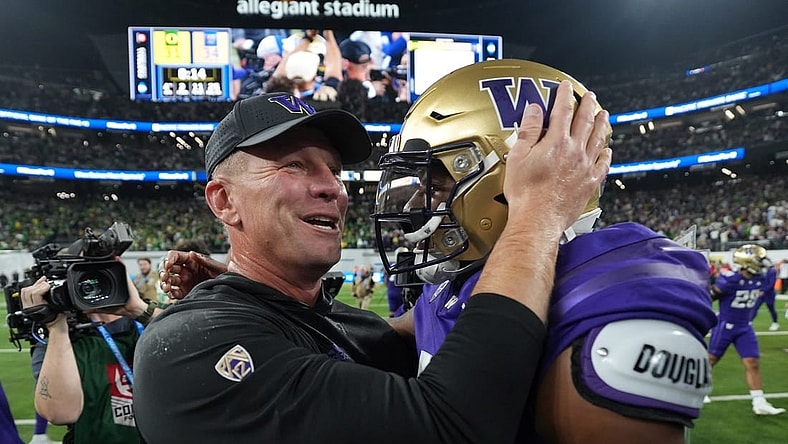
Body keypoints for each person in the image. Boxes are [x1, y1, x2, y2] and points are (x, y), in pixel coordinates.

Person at [133, 77, 611, 443]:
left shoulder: (338, 321)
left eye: (335, 171)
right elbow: (452, 426)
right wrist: (539, 212)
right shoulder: (185, 347)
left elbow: (443, 323)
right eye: (293, 165)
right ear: (223, 202)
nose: (333, 188)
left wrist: (256, 293)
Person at [370, 59, 717, 443]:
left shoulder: (604, 301)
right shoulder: (457, 282)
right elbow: (400, 331)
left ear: (504, 180)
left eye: (435, 185)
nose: (412, 206)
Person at [19, 262, 165, 443]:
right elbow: (60, 413)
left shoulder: (151, 321)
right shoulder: (61, 341)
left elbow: (197, 340)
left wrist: (139, 310)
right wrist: (57, 327)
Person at [708, 244, 785, 415]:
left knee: (753, 362)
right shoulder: (729, 280)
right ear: (747, 262)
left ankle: (759, 402)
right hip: (726, 326)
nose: (763, 262)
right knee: (710, 360)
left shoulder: (760, 278)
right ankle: (699, 390)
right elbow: (709, 298)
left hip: (745, 327)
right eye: (759, 259)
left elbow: (771, 273)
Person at [751, 256, 780, 331]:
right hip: (761, 293)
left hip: (769, 293)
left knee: (771, 308)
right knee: (755, 307)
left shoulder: (772, 271)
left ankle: (775, 323)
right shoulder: (760, 271)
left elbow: (771, 284)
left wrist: (763, 290)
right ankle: (749, 322)